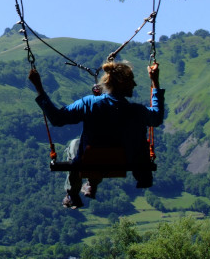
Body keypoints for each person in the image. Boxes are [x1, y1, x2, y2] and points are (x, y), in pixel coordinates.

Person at [29, 61, 165, 209]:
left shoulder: (90, 103)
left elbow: (57, 118)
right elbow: (157, 117)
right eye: (131, 80)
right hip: (125, 161)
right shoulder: (137, 111)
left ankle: (73, 192)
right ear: (121, 82)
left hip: (91, 161)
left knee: (75, 144)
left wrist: (39, 87)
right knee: (135, 141)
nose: (135, 84)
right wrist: (155, 81)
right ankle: (102, 182)